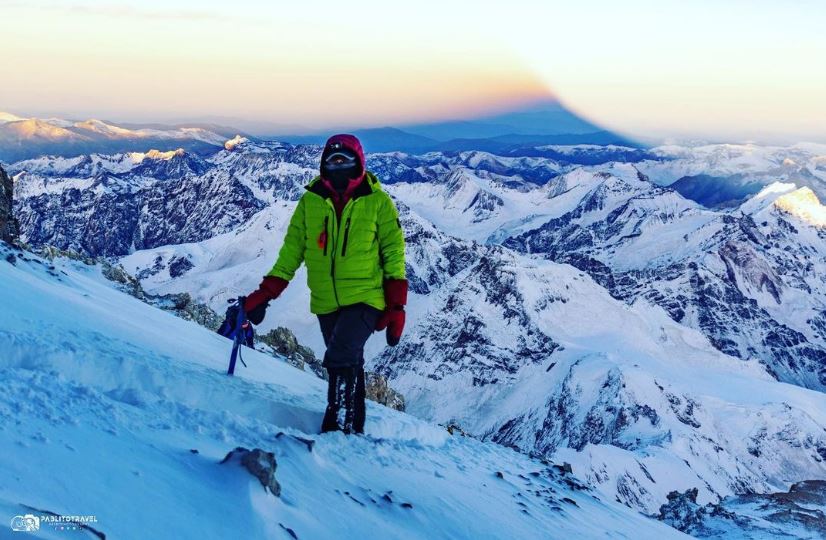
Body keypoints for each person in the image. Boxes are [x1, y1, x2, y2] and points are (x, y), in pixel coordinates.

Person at [244, 134, 407, 434]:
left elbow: (394, 252)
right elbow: (291, 253)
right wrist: (265, 294)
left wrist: (396, 305)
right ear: (323, 165)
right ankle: (354, 429)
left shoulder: (378, 203)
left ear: (359, 163)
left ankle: (337, 428)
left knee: (340, 357)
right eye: (332, 161)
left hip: (366, 297)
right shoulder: (310, 202)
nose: (338, 166)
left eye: (345, 160)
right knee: (350, 362)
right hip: (326, 302)